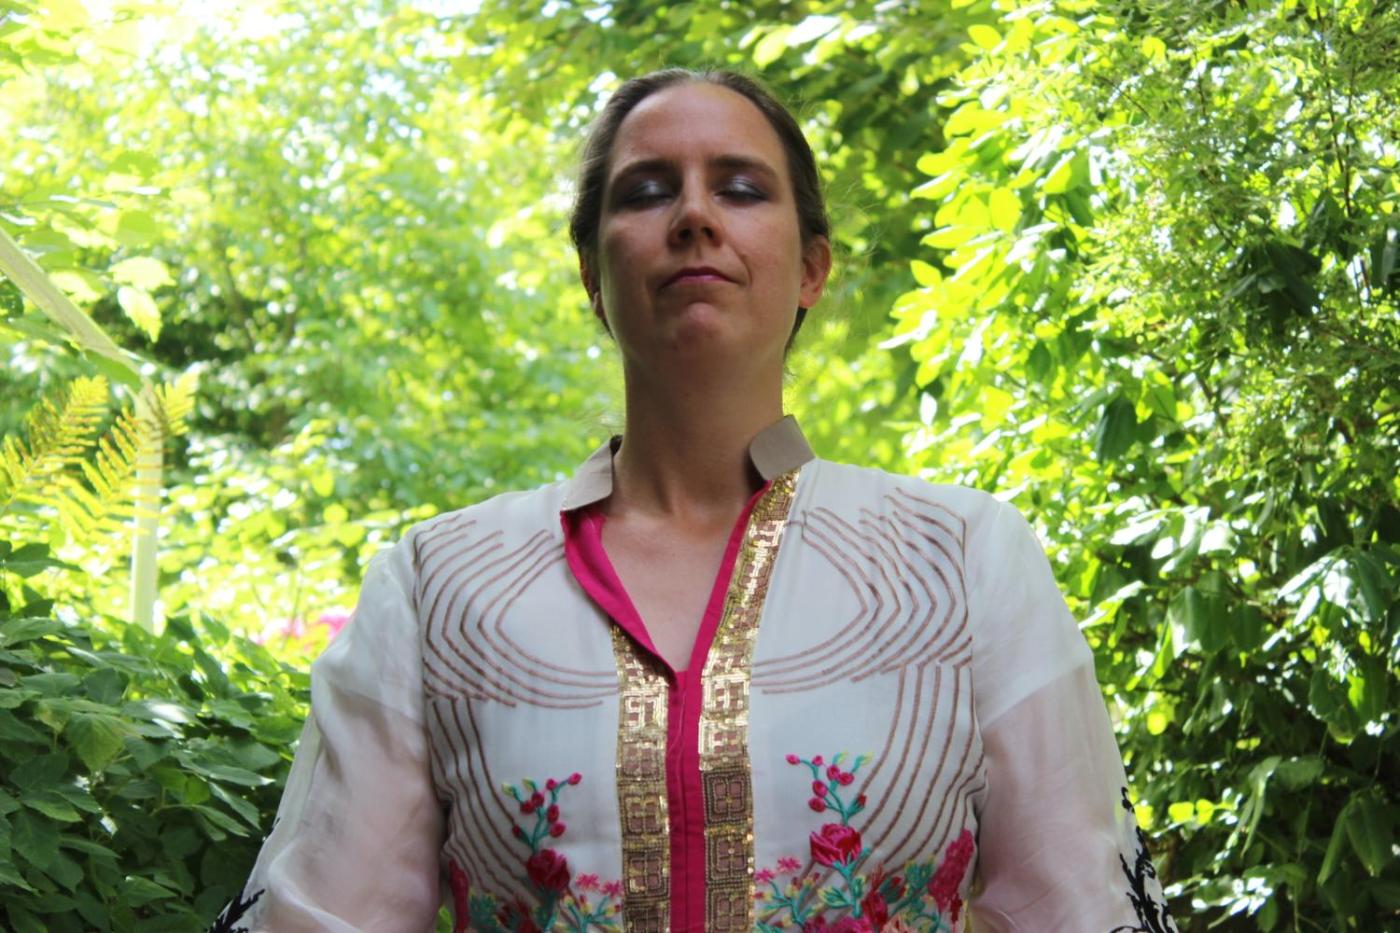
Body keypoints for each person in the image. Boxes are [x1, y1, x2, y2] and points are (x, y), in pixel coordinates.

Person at [214, 68, 1176, 933]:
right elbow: (322, 914)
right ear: (593, 276)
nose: (694, 216)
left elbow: (1078, 904)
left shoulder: (960, 559)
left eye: (741, 188)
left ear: (811, 267)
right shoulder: (442, 586)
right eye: (646, 191)